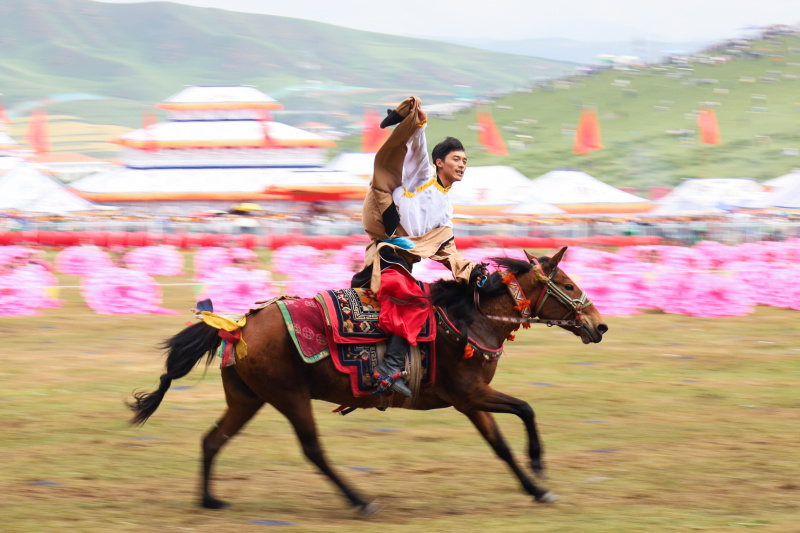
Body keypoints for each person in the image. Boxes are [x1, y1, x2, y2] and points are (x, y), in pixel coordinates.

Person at [351, 96, 487, 397]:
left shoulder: (447, 208)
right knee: (416, 301)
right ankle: (389, 368)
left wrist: (472, 271)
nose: (462, 165)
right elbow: (418, 145)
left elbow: (446, 249)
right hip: (387, 259)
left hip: (404, 265)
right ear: (440, 162)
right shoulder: (421, 176)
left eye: (465, 161)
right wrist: (415, 120)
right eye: (456, 159)